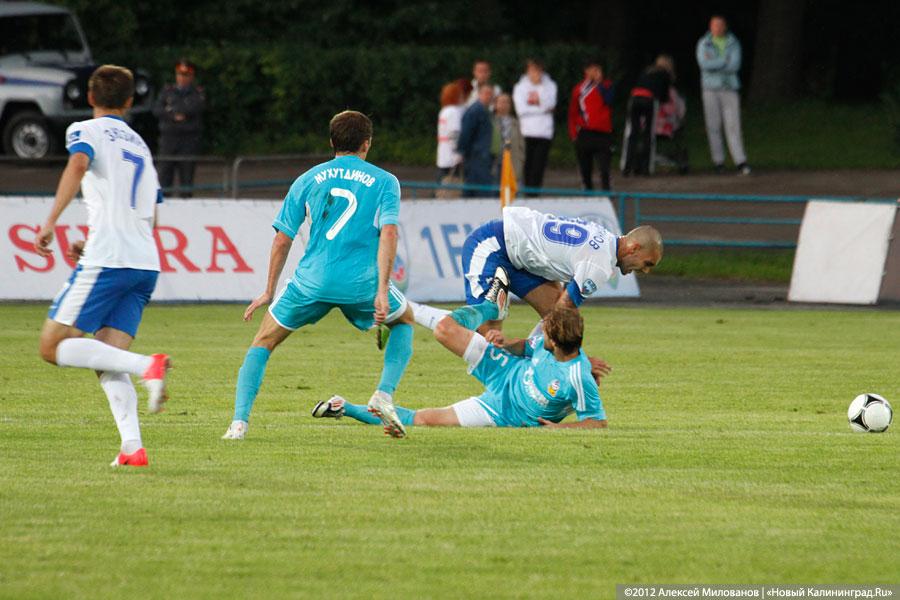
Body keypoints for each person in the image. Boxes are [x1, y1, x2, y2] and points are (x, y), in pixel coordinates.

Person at [222, 111, 415, 441]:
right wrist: (382, 290)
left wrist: (268, 290)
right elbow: (389, 232)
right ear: (367, 143)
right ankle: (383, 394)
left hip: (311, 282)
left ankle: (238, 424)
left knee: (263, 341)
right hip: (361, 284)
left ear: (331, 142)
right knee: (404, 321)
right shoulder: (385, 181)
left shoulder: (307, 179)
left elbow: (282, 238)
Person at [33, 65, 171, 468]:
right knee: (105, 356)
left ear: (91, 97)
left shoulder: (85, 130)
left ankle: (148, 366)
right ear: (129, 101)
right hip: (144, 262)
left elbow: (78, 164)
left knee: (51, 346)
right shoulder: (141, 146)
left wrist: (51, 221)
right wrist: (91, 241)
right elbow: (151, 215)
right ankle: (132, 448)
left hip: (109, 258)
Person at [313, 277, 607, 432]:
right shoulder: (547, 346)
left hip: (500, 412)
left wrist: (557, 429)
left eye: (545, 332)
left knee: (425, 421)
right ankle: (490, 307)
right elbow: (525, 347)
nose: (540, 333)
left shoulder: (578, 377)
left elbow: (596, 422)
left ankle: (344, 407)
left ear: (555, 341)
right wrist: (504, 343)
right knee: (445, 330)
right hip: (504, 369)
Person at [416, 206, 662, 336]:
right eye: (647, 263)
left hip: (518, 256)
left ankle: (522, 371)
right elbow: (564, 311)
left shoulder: (605, 238)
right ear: (634, 248)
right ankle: (412, 312)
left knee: (558, 323)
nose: (645, 271)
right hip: (492, 246)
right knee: (486, 334)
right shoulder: (600, 263)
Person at [696, 15, 750, 175]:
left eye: (720, 25)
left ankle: (740, 161)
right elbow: (704, 64)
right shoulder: (704, 43)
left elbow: (735, 65)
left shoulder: (733, 43)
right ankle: (718, 161)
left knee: (733, 125)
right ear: (710, 27)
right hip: (710, 89)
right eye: (714, 25)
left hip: (729, 88)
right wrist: (723, 61)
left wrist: (715, 63)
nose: (717, 28)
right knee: (713, 125)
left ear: (725, 26)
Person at [153, 59, 205, 197]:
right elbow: (157, 109)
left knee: (186, 178)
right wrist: (172, 114)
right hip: (168, 139)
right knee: (164, 176)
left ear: (191, 76)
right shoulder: (167, 91)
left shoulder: (196, 92)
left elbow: (195, 108)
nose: (182, 78)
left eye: (186, 75)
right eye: (180, 75)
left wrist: (173, 110)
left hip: (188, 140)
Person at [622, 55, 673, 176]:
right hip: (649, 100)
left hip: (634, 98)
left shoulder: (647, 71)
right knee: (648, 134)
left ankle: (627, 167)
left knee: (633, 134)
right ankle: (646, 168)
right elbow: (664, 96)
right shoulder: (665, 74)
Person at [568, 59, 614, 190]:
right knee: (585, 168)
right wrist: (573, 133)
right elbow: (573, 112)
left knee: (604, 167)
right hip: (585, 132)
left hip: (603, 133)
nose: (597, 73)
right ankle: (588, 192)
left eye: (598, 70)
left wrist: (599, 84)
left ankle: (606, 193)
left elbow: (609, 101)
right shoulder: (579, 89)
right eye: (593, 70)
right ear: (586, 71)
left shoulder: (607, 85)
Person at [513, 59, 557, 195]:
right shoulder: (520, 87)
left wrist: (540, 88)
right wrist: (542, 109)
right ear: (527, 71)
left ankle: (534, 195)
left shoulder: (550, 85)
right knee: (526, 165)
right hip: (526, 131)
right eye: (532, 70)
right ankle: (527, 193)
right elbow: (521, 110)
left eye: (538, 70)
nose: (535, 73)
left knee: (539, 167)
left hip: (544, 133)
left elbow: (551, 105)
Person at [457, 83, 495, 197]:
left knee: (474, 188)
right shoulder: (476, 110)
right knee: (480, 189)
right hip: (476, 156)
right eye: (486, 93)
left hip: (480, 155)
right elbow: (466, 133)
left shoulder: (484, 110)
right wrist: (462, 151)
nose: (489, 96)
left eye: (491, 94)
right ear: (479, 94)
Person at [491, 93, 524, 184]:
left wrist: (521, 159)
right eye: (501, 102)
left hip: (512, 161)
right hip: (495, 163)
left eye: (507, 102)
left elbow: (522, 144)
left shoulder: (516, 123)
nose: (504, 104)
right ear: (495, 104)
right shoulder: (489, 122)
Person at [436, 81, 465, 180]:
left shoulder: (444, 111)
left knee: (442, 180)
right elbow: (454, 134)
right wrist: (458, 153)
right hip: (451, 156)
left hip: (442, 154)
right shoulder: (454, 112)